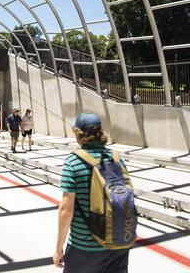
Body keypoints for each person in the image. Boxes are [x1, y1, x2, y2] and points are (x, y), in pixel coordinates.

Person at [53, 112, 131, 272]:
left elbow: (66, 211)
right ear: (100, 133)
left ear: (79, 134)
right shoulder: (116, 158)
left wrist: (58, 248)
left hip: (85, 248)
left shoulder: (74, 162)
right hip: (119, 245)